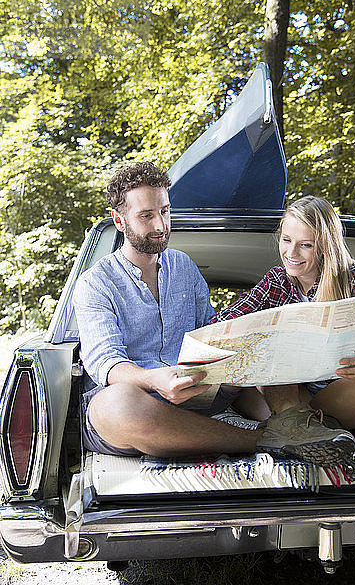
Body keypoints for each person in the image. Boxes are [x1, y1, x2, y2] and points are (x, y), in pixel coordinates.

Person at [73, 161, 267, 458]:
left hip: (197, 394)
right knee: (117, 404)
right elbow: (107, 365)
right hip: (139, 404)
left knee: (259, 368)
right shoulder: (95, 283)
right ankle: (262, 442)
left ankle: (286, 428)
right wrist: (157, 379)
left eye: (164, 211)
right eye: (146, 216)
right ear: (120, 220)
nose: (160, 225)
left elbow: (210, 333)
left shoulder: (184, 267)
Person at [211, 196, 355, 463]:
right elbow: (223, 325)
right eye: (286, 240)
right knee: (261, 366)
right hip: (294, 400)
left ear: (324, 246)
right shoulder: (276, 281)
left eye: (305, 245)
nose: (291, 253)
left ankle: (290, 431)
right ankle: (302, 434)